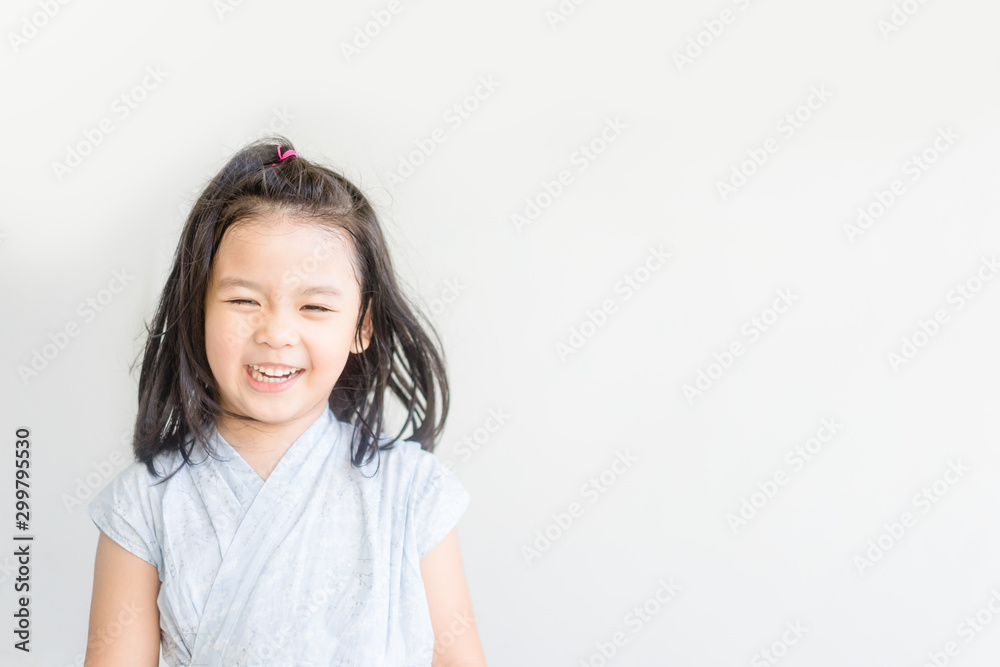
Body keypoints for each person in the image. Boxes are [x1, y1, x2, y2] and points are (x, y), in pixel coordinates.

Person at [83, 138, 488, 666]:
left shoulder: (411, 493)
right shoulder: (144, 506)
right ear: (199, 309)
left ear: (361, 326)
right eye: (244, 300)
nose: (276, 332)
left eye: (315, 306)